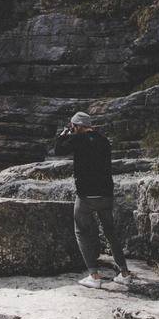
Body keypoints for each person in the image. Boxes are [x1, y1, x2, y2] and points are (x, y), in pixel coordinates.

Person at [54, 111, 134, 288]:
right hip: (106, 194)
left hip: (86, 196)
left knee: (81, 232)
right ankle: (124, 273)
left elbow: (58, 150)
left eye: (72, 127)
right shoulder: (104, 140)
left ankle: (94, 276)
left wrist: (63, 135)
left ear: (76, 126)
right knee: (110, 232)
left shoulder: (77, 139)